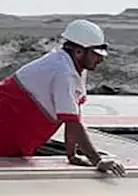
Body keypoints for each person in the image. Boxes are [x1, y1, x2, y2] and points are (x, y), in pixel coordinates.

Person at [0, 19, 125, 176]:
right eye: (96, 55)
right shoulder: (62, 71)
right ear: (79, 51)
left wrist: (71, 155)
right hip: (5, 130)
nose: (100, 60)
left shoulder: (75, 67)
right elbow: (72, 123)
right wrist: (97, 160)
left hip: (15, 135)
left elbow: (72, 115)